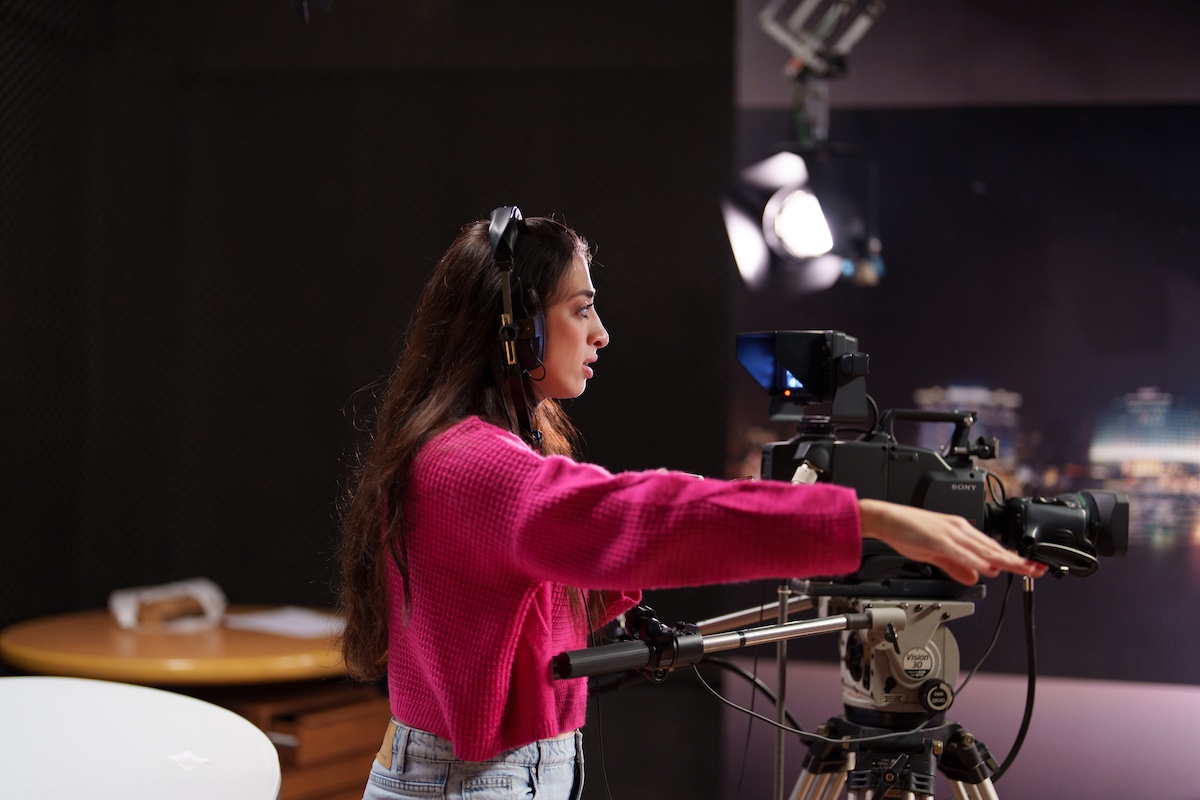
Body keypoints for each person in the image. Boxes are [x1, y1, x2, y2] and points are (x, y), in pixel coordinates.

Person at [337, 211, 1045, 800]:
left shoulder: (492, 448)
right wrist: (867, 519)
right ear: (516, 327)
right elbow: (635, 517)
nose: (601, 333)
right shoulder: (472, 465)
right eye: (581, 310)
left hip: (503, 773)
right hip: (475, 782)